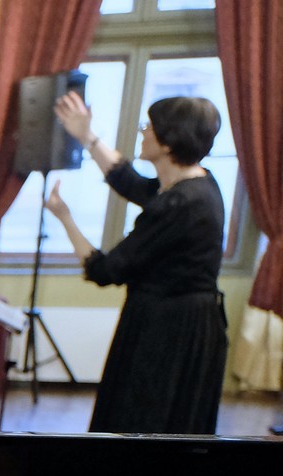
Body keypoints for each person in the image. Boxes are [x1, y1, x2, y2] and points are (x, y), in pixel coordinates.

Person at [47, 91, 228, 436]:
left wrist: (65, 218)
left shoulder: (179, 205)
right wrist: (87, 136)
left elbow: (104, 270)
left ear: (169, 142)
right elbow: (130, 182)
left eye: (150, 126)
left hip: (167, 330)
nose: (143, 131)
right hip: (183, 322)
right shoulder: (197, 182)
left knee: (144, 421)